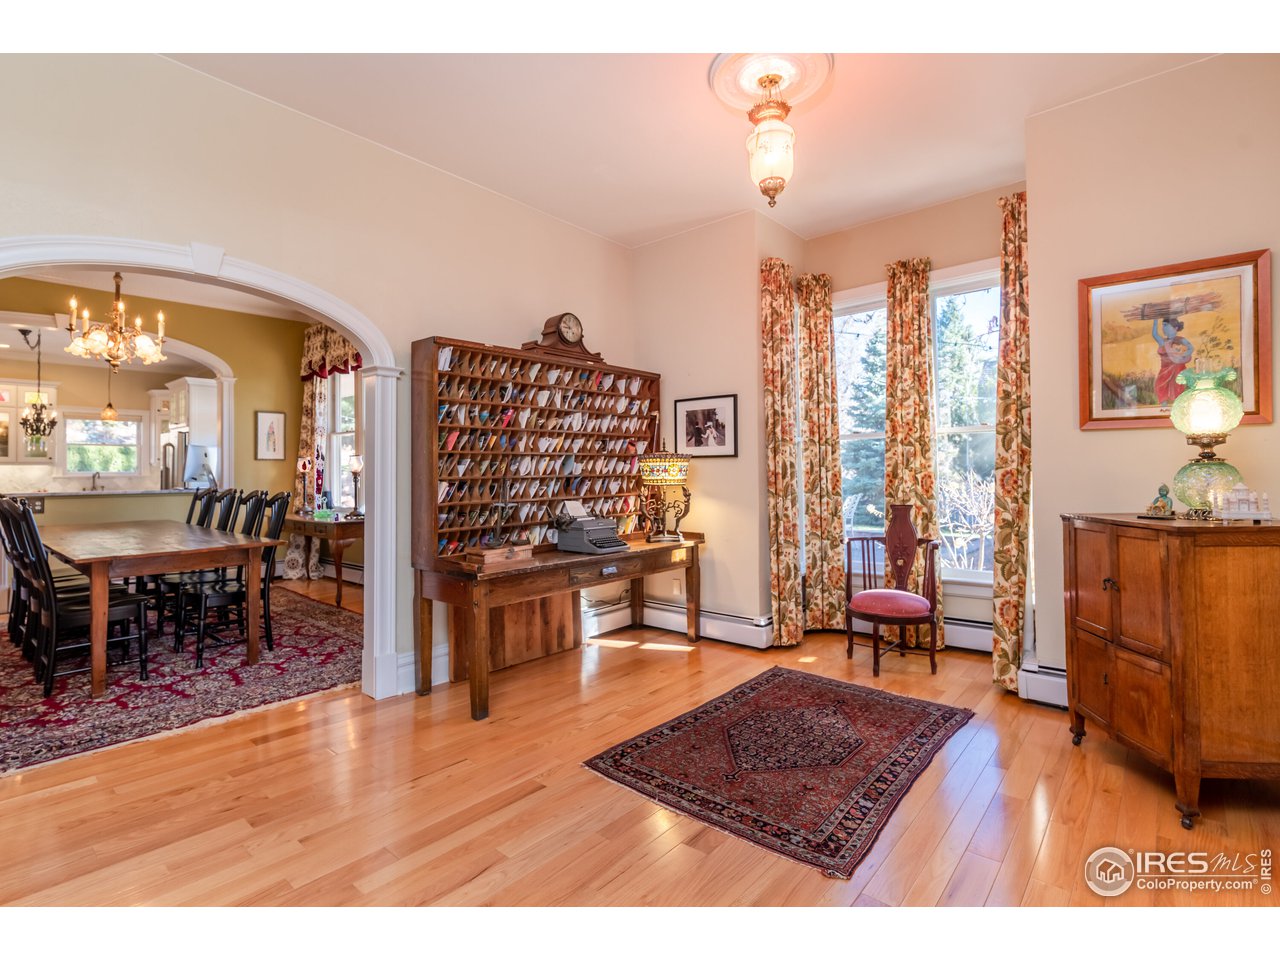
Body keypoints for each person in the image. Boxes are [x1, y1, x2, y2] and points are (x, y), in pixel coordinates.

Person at [1152, 315, 1193, 404]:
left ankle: (1177, 406)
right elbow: (1154, 334)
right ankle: (1164, 406)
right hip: (1164, 370)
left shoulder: (1181, 340)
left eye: (1166, 325)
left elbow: (1191, 348)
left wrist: (1182, 355)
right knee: (1160, 386)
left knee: (1177, 387)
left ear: (1175, 328)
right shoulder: (1163, 342)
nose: (1163, 328)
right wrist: (1155, 320)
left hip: (1178, 368)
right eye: (1163, 325)